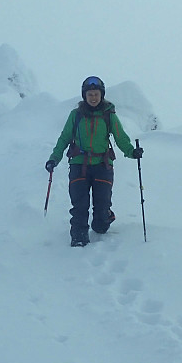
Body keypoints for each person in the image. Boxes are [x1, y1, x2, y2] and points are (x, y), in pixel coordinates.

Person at [46, 76, 143, 247]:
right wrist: (54, 158)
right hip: (79, 164)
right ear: (84, 95)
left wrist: (131, 152)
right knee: (79, 205)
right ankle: (78, 237)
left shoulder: (108, 115)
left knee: (101, 211)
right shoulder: (75, 115)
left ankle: (104, 219)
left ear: (101, 95)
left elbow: (121, 137)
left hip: (102, 165)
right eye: (90, 94)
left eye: (96, 94)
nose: (93, 98)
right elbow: (64, 138)